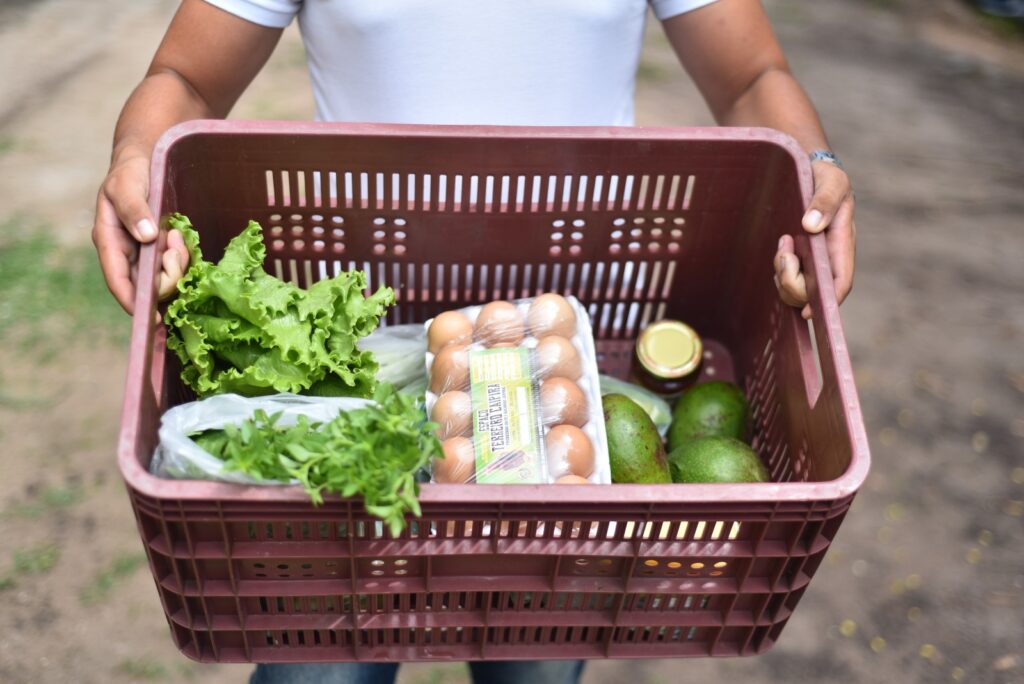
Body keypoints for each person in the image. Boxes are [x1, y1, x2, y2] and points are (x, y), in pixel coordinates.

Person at [92, 1, 855, 682]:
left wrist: (814, 172)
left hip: (570, 333)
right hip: (367, 347)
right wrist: (134, 159)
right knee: (320, 668)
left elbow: (752, 74)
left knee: (534, 657)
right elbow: (186, 79)